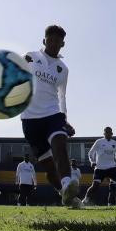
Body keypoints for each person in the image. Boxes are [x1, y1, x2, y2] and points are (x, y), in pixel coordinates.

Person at [20, 24, 81, 207]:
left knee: (60, 146)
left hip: (52, 114)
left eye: (58, 41)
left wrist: (64, 119)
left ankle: (67, 182)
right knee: (48, 167)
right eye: (51, 39)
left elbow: (62, 97)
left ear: (63, 44)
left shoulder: (63, 69)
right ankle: (65, 194)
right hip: (29, 118)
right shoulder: (30, 57)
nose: (54, 43)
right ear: (44, 40)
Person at [83, 126, 116, 207]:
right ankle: (85, 201)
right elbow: (90, 153)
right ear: (104, 133)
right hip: (100, 168)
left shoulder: (115, 144)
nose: (108, 134)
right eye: (106, 132)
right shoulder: (99, 142)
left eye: (109, 132)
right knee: (95, 186)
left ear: (112, 133)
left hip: (112, 168)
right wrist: (92, 162)